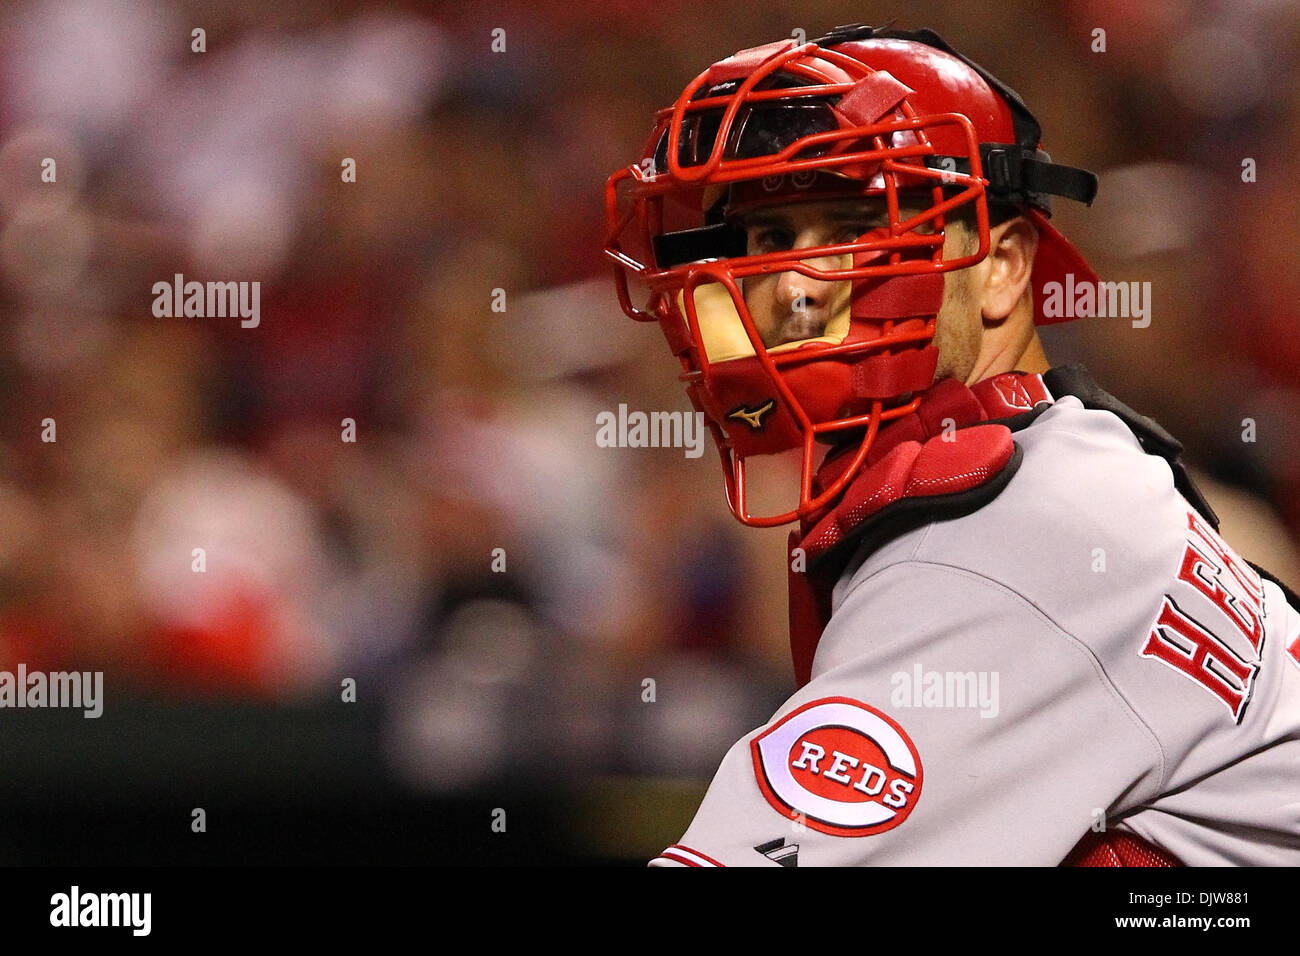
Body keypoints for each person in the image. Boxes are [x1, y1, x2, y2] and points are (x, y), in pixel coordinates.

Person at [603, 24, 1300, 866]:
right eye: (770, 239)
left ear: (1000, 265)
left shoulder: (1004, 541)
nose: (793, 288)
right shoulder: (1064, 460)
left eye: (854, 228)